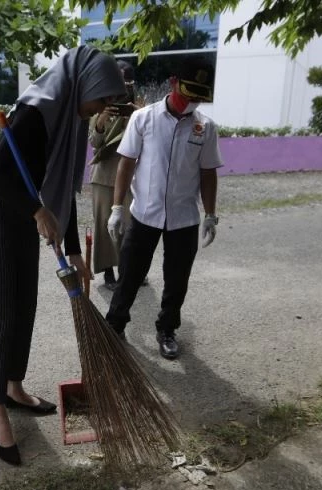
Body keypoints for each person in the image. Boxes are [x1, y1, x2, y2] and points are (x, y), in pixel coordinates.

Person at [0, 45, 126, 465]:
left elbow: (61, 189)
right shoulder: (37, 111)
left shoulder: (71, 121)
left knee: (25, 305)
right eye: (104, 97)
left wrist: (74, 250)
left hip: (27, 211)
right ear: (85, 85)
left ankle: (14, 387)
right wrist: (38, 211)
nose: (104, 107)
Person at [105, 61, 222, 360]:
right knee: (130, 273)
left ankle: (167, 329)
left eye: (198, 96)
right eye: (188, 93)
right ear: (173, 82)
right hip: (145, 213)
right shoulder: (144, 118)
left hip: (183, 218)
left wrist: (210, 214)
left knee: (177, 280)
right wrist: (117, 207)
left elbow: (208, 173)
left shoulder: (205, 127)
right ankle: (115, 325)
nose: (191, 101)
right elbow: (126, 163)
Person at [87, 60, 137, 290]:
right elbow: (95, 144)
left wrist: (134, 114)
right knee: (104, 228)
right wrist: (102, 120)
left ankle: (128, 270)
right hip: (103, 176)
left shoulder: (139, 110)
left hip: (130, 177)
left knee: (129, 226)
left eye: (125, 82)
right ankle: (108, 274)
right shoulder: (99, 107)